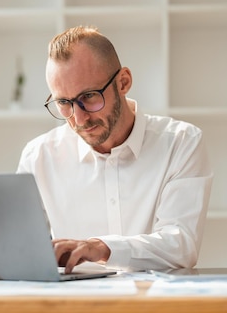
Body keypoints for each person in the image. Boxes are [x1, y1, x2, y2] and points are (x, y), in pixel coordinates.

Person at [17, 25, 213, 273]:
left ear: (123, 82)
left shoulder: (181, 143)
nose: (79, 119)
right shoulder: (38, 157)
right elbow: (20, 250)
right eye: (64, 103)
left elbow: (181, 245)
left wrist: (101, 248)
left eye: (89, 97)